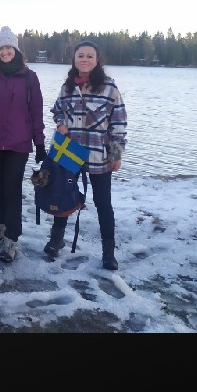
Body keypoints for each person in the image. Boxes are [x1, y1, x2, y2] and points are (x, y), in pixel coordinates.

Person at [47, 39, 127, 270]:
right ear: (74, 59)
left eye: (89, 56)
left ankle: (108, 252)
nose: (84, 59)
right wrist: (61, 123)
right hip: (70, 154)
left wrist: (116, 154)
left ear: (97, 60)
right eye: (80, 55)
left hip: (98, 155)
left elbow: (119, 123)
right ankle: (56, 239)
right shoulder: (68, 87)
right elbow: (57, 110)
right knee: (62, 196)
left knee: (103, 203)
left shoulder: (110, 88)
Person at [0, 26, 46, 265]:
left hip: (18, 144)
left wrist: (40, 142)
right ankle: (0, 226)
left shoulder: (30, 78)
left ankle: (12, 239)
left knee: (12, 189)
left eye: (8, 47)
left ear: (16, 49)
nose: (4, 52)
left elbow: (36, 112)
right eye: (0, 48)